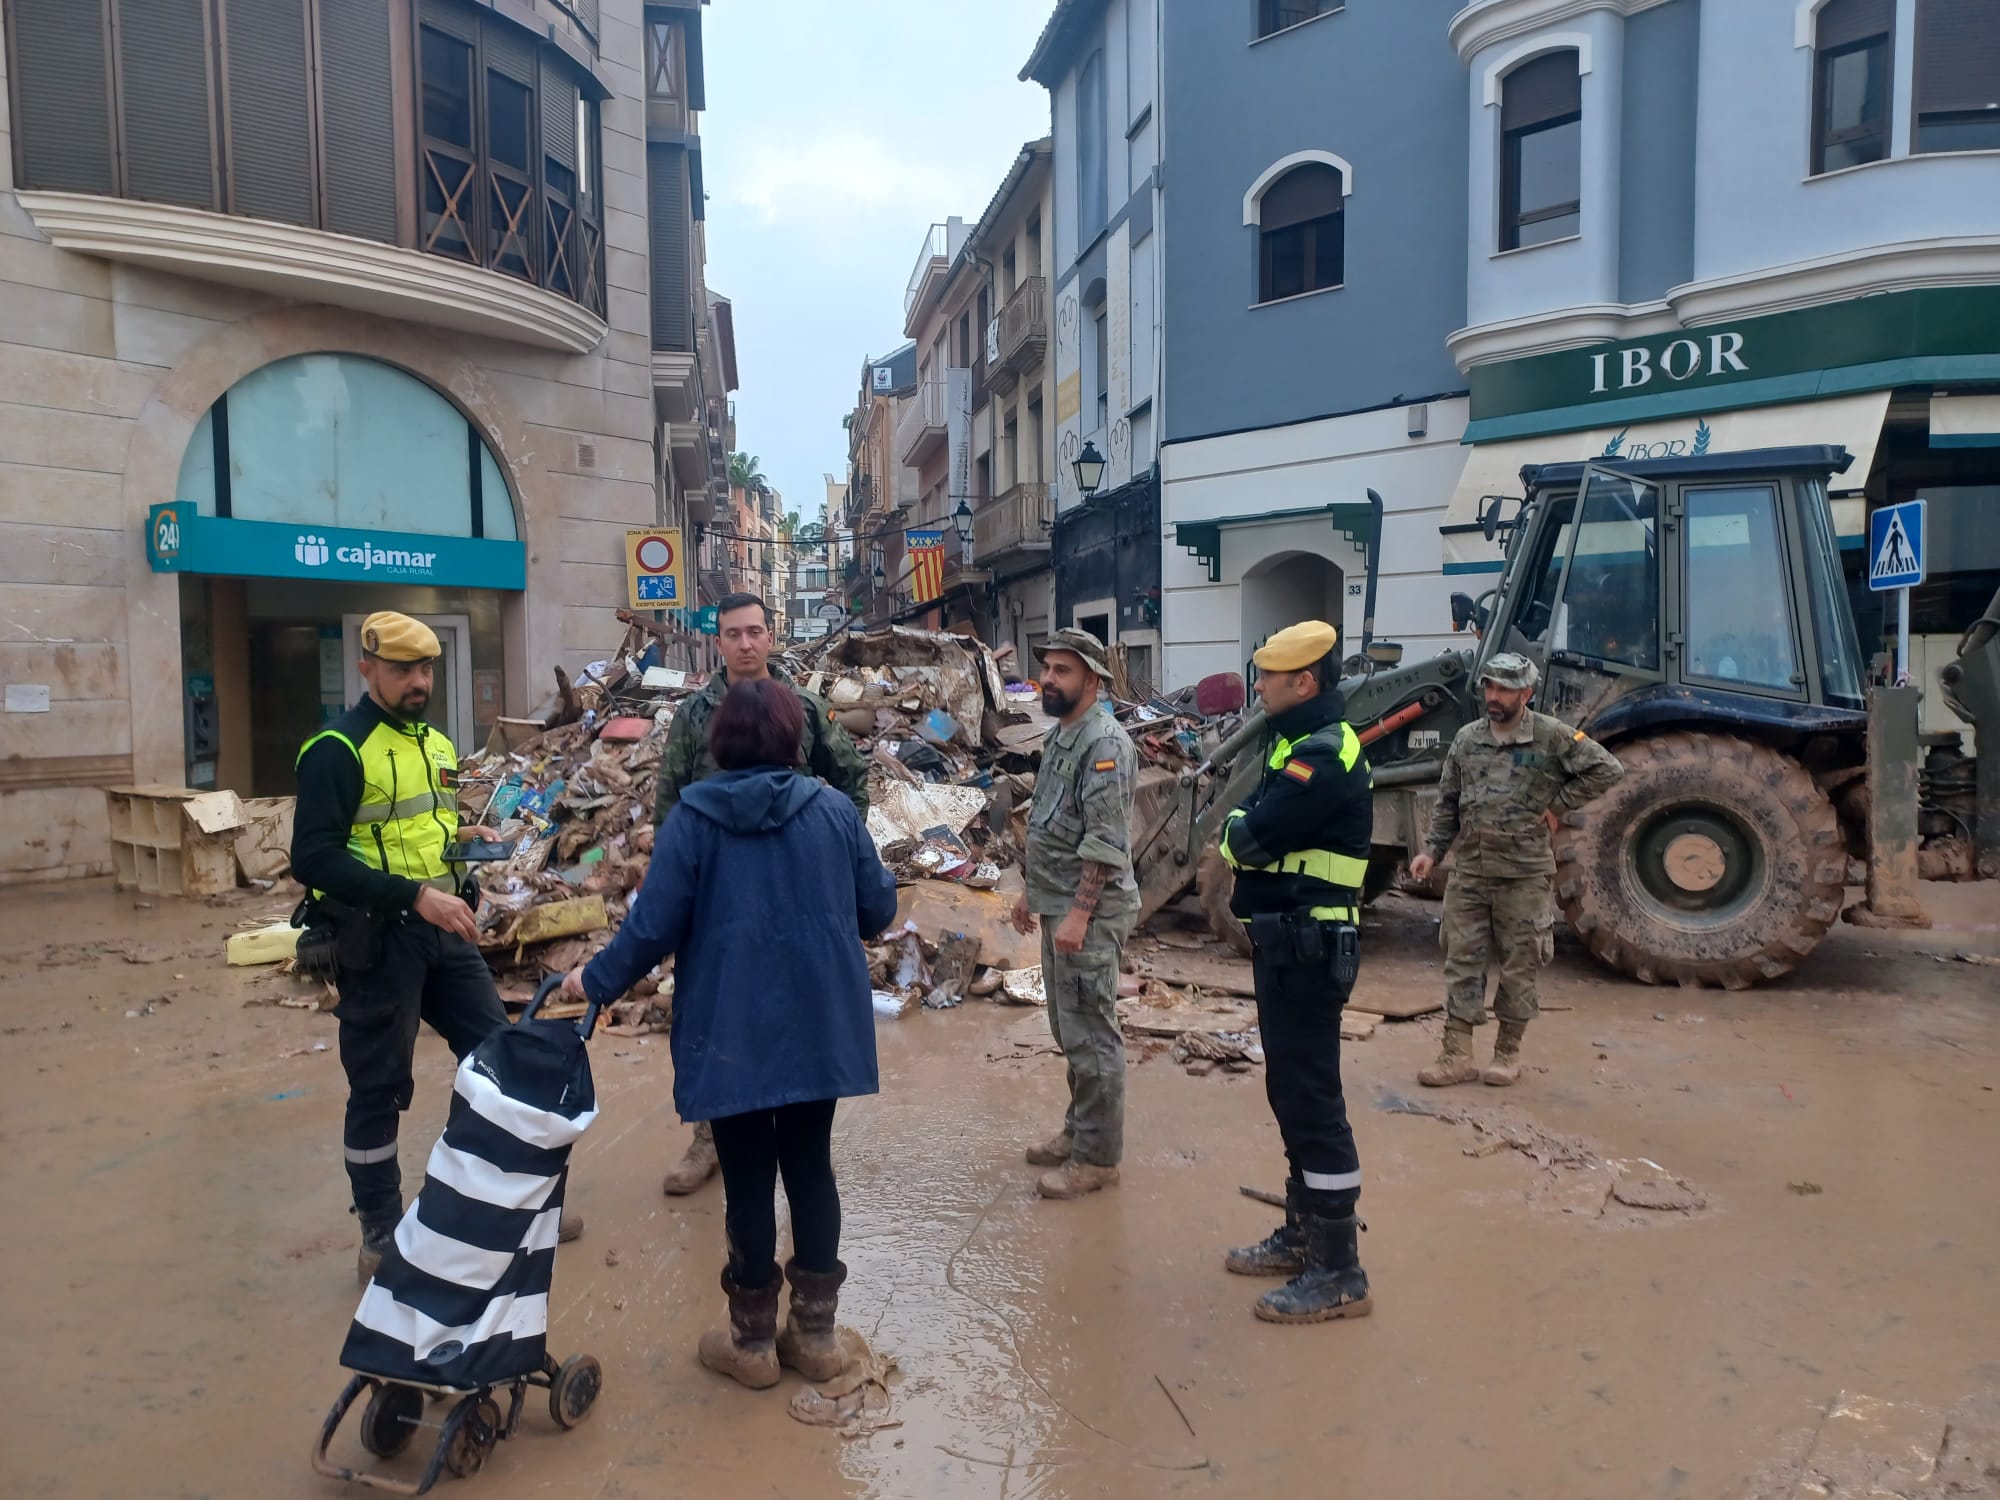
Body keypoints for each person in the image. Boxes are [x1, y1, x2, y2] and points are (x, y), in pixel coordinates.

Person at [563, 680, 897, 1389]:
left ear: (719, 742)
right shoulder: (836, 812)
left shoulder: (693, 818)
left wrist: (592, 982)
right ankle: (815, 1337)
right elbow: (878, 911)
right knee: (810, 1165)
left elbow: (651, 929)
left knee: (746, 1173)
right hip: (818, 1019)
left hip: (730, 1023)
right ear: (791, 739)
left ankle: (750, 1347)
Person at [291, 611, 580, 1283]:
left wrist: (468, 863)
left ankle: (513, 1202)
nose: (418, 681)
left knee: (499, 1058)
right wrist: (413, 895)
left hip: (441, 931)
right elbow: (313, 857)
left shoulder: (436, 746)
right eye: (403, 671)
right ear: (367, 669)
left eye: (426, 669)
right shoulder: (338, 748)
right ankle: (379, 1233)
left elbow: (431, 833)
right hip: (375, 939)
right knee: (379, 1088)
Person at [650, 592, 871, 1199]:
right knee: (707, 1013)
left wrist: (842, 851)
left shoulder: (800, 706)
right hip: (714, 893)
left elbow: (850, 774)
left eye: (754, 632)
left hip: (790, 886)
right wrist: (671, 889)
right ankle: (708, 1136)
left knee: (788, 1011)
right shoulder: (695, 713)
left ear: (770, 637)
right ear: (717, 643)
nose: (745, 644)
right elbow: (669, 801)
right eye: (732, 634)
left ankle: (795, 1131)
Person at [1218, 620, 1375, 1324]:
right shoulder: (1296, 745)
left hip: (1311, 946)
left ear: (1303, 683)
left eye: (1268, 678)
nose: (1258, 687)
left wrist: (1238, 832)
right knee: (1291, 1089)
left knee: (1312, 1098)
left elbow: (1245, 835)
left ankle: (1339, 1270)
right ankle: (1303, 1233)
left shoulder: (1320, 754)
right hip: (1289, 943)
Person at [1409, 652, 1623, 1087]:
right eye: (1489, 687)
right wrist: (1432, 850)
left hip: (1524, 872)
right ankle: (1457, 1053)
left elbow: (1608, 769)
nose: (1494, 696)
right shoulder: (1468, 740)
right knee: (1461, 959)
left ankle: (1507, 1051)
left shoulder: (1551, 737)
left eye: (1505, 689)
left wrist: (1557, 805)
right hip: (1470, 870)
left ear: (1526, 693)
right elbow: (1449, 800)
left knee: (1519, 963)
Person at [1009, 628, 1138, 1201]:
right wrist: (1029, 893)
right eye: (1049, 669)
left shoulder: (1104, 744)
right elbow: (1048, 823)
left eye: (1063, 671)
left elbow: (1105, 842)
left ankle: (1097, 1159)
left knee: (1091, 1034)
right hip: (1055, 900)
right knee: (1068, 1028)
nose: (1050, 679)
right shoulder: (1065, 734)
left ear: (1092, 679)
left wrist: (1079, 915)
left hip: (1088, 910)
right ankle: (1077, 1131)